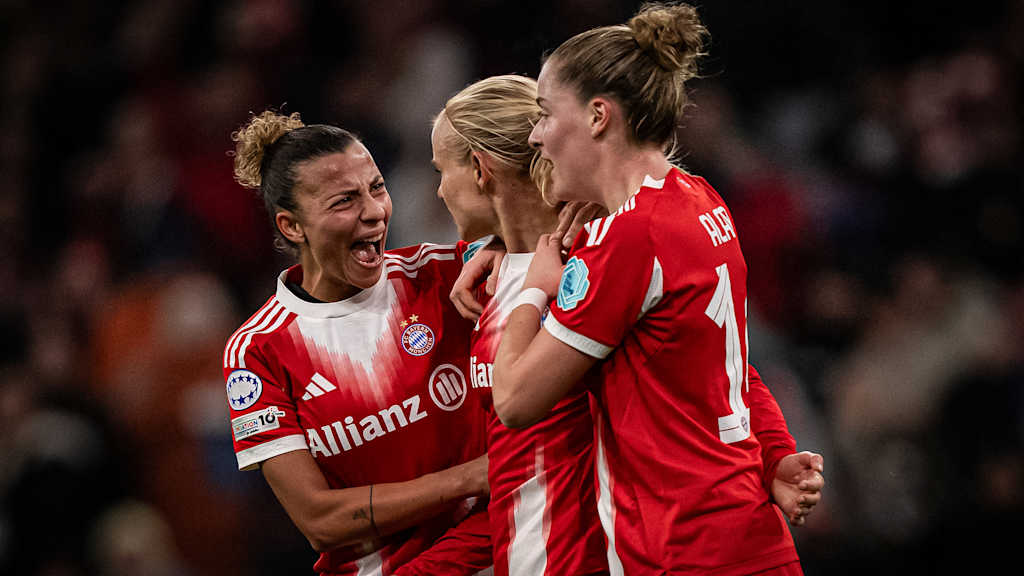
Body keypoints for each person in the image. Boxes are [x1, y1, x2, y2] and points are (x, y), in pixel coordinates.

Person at [438, 69, 823, 575]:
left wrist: (773, 455)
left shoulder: (599, 258)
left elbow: (724, 371)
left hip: (623, 553)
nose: (439, 190)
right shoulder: (483, 274)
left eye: (439, 169)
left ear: (480, 168)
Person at [224, 110, 493, 576]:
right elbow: (319, 519)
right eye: (344, 200)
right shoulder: (256, 351)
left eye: (377, 188)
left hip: (499, 553)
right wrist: (471, 477)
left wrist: (510, 243)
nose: (374, 211)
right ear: (292, 226)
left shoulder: (446, 273)